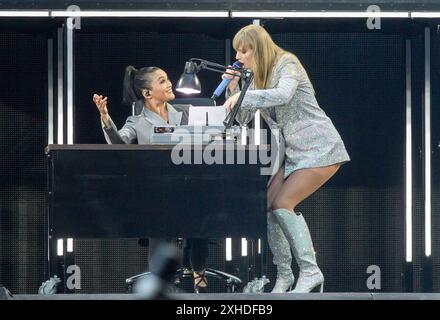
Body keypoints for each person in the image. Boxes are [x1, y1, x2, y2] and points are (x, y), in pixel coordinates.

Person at [223, 24, 350, 293]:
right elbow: (242, 118)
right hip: (292, 152)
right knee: (268, 207)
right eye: (237, 51)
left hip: (319, 146)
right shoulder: (255, 78)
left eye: (243, 51)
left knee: (283, 203)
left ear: (258, 48)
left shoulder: (287, 63)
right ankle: (285, 275)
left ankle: (310, 271)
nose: (239, 56)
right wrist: (233, 87)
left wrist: (242, 95)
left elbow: (283, 95)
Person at [93, 65, 209, 293]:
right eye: (162, 81)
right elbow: (119, 144)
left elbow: (205, 140)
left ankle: (200, 275)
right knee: (160, 216)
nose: (170, 84)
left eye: (168, 79)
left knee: (199, 209)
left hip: (187, 184)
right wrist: (106, 118)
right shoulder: (136, 121)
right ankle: (160, 283)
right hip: (156, 190)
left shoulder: (185, 112)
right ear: (147, 93)